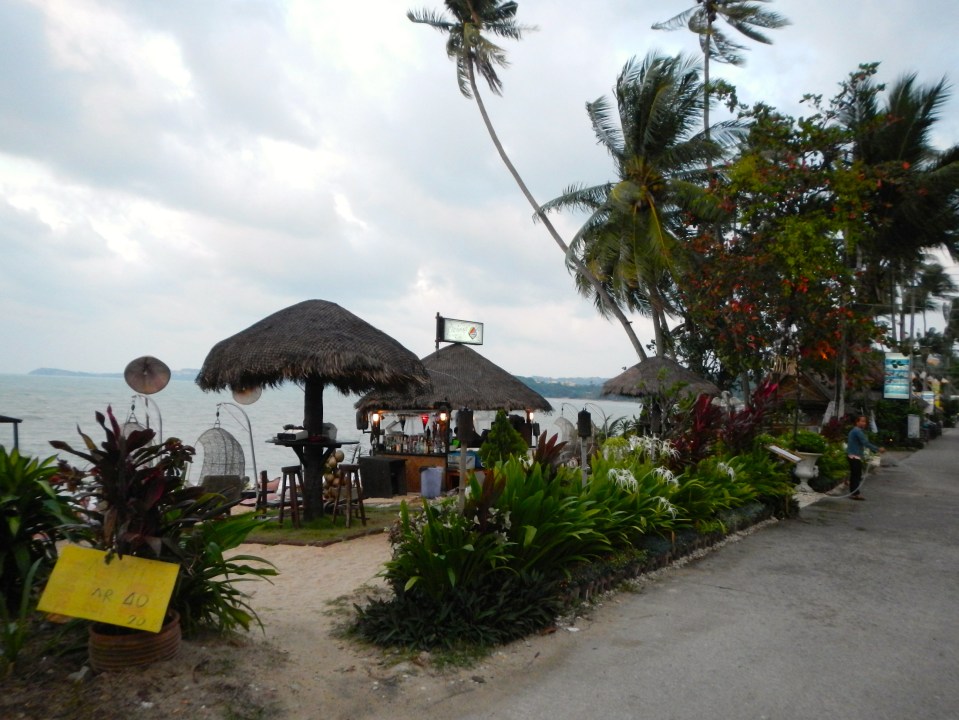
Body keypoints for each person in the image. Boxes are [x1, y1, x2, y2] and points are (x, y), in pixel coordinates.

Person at [846, 415, 883, 500]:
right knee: (856, 476)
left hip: (853, 456)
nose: (864, 423)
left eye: (865, 421)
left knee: (855, 475)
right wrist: (878, 449)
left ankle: (854, 493)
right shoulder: (857, 431)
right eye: (862, 421)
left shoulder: (855, 430)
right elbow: (865, 443)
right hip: (854, 456)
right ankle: (855, 494)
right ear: (857, 422)